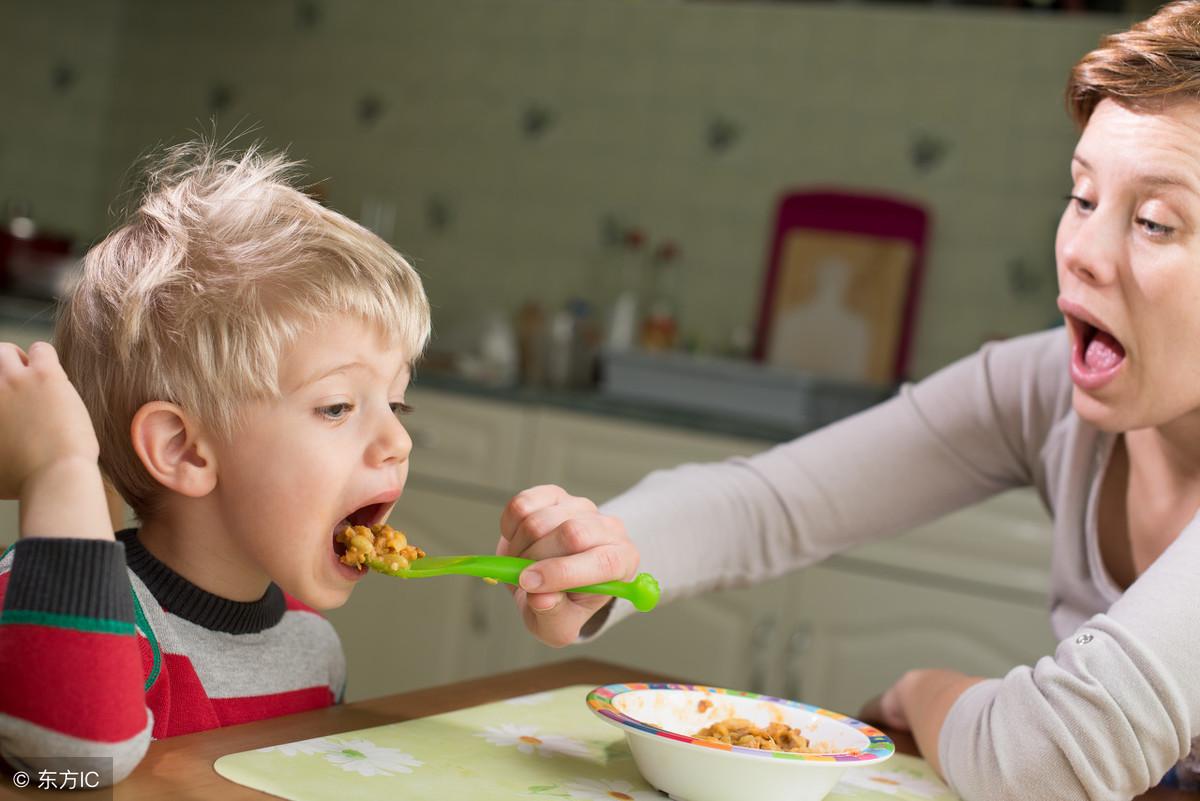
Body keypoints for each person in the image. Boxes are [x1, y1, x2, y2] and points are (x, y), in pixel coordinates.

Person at [498, 3, 1200, 798]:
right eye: (1081, 197)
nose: (1081, 252)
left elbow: (1047, 762)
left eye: (1153, 221)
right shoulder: (1041, 391)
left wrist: (922, 692)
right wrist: (605, 557)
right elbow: (773, 503)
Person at [0, 140, 636, 785]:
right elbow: (64, 772)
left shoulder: (310, 648)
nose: (397, 441)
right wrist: (58, 469)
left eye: (397, 405)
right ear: (184, 449)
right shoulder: (59, 596)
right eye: (337, 407)